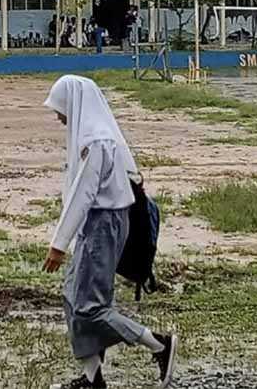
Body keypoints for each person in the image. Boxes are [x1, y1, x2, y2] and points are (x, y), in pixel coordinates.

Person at [43, 75, 178, 389]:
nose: (57, 116)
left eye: (58, 108)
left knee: (90, 307)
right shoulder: (92, 137)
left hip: (103, 225)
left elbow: (83, 195)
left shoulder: (97, 141)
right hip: (95, 225)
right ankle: (93, 379)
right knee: (71, 297)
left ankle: (159, 345)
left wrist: (59, 244)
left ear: (73, 104)